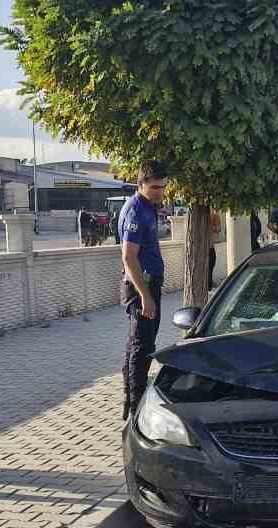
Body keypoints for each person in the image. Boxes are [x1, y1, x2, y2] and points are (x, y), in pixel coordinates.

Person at [121, 161, 170, 421]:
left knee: (137, 345)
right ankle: (136, 406)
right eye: (154, 187)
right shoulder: (136, 211)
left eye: (162, 187)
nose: (159, 192)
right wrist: (145, 296)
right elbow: (129, 258)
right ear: (140, 184)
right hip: (141, 287)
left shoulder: (148, 207)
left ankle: (130, 400)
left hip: (147, 285)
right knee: (142, 347)